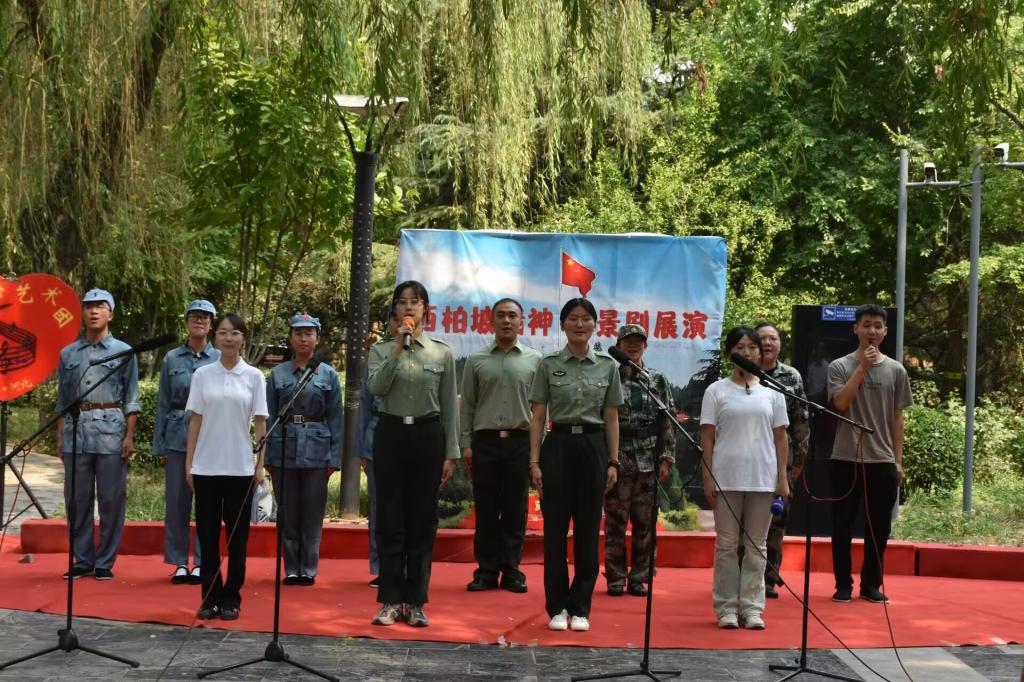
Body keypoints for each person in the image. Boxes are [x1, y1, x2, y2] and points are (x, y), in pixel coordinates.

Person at [367, 281, 458, 628]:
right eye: (402, 302)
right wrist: (397, 350)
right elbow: (376, 387)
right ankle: (390, 600)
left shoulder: (440, 353)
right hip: (391, 433)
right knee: (389, 519)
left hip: (427, 435)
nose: (408, 308)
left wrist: (450, 452)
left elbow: (449, 405)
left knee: (422, 521)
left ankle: (416, 600)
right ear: (395, 310)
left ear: (425, 310)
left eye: (415, 302)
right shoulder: (381, 350)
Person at [529, 298, 623, 633]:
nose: (579, 324)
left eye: (586, 319)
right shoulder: (548, 364)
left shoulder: (608, 366)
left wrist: (613, 461)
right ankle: (557, 606)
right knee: (555, 531)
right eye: (573, 318)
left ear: (595, 325)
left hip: (593, 447)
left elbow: (611, 418)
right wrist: (534, 461)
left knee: (587, 531)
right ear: (563, 324)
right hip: (558, 445)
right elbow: (538, 416)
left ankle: (580, 606)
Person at [700, 326, 789, 630]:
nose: (747, 352)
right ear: (729, 354)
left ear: (760, 353)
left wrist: (782, 478)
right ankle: (726, 607)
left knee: (757, 545)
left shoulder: (772, 392)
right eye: (740, 347)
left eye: (752, 347)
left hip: (763, 478)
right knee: (726, 545)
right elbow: (707, 437)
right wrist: (708, 477)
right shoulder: (716, 391)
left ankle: (752, 608)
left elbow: (781, 438)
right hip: (726, 477)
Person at [185, 313, 268, 621]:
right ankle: (209, 597)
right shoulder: (202, 375)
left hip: (240, 468)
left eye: (235, 333)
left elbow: (260, 424)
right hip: (206, 467)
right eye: (223, 332)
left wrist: (260, 464)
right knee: (207, 538)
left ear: (243, 337)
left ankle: (232, 597)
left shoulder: (254, 376)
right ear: (215, 337)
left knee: (237, 540)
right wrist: (189, 463)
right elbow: (195, 421)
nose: (229, 338)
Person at [828, 304, 912, 604]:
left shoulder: (896, 370)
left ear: (885, 331)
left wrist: (898, 460)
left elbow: (897, 418)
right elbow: (840, 404)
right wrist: (862, 367)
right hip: (846, 458)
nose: (872, 331)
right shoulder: (839, 366)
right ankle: (843, 584)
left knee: (879, 527)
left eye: (877, 326)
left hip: (883, 459)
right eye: (866, 325)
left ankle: (871, 584)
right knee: (842, 524)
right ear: (856, 329)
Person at [56, 288, 140, 581]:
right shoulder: (68, 353)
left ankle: (104, 560)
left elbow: (132, 397)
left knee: (111, 499)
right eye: (89, 306)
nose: (93, 311)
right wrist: (60, 438)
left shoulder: (124, 351)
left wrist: (129, 436)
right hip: (76, 432)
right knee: (76, 500)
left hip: (111, 431)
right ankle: (82, 559)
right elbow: (62, 401)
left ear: (110, 314)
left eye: (100, 306)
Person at [461, 298, 542, 594]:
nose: (507, 321)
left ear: (522, 321)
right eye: (501, 316)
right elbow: (468, 405)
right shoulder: (477, 360)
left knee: (515, 509)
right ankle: (485, 571)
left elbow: (540, 410)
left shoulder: (535, 360)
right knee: (486, 509)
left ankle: (511, 571)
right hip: (485, 442)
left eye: (512, 316)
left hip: (520, 442)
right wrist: (465, 443)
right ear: (491, 320)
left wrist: (537, 451)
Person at [265, 314, 343, 586]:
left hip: (316, 449)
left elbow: (336, 419)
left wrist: (334, 458)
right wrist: (267, 456)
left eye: (309, 333)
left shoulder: (328, 374)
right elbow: (269, 416)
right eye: (298, 333)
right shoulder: (278, 374)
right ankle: (291, 568)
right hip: (283, 447)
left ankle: (308, 568)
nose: (303, 338)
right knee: (287, 512)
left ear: (317, 338)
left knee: (312, 512)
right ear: (290, 338)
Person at [604, 324, 676, 598]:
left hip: (648, 459)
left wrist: (667, 458)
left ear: (645, 346)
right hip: (618, 458)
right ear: (618, 346)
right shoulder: (609, 376)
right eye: (627, 342)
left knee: (645, 522)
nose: (633, 347)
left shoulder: (657, 379)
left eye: (638, 342)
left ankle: (639, 577)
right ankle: (615, 577)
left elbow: (668, 420)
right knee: (615, 522)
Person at [153, 299, 220, 585]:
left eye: (205, 317)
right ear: (186, 322)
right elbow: (163, 402)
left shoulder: (220, 358)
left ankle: (203, 562)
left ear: (211, 324)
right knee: (177, 502)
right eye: (194, 316)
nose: (199, 321)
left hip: (209, 435)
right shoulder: (172, 358)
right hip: (177, 434)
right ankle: (179, 561)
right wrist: (159, 444)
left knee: (208, 503)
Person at [755, 322, 809, 599]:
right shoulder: (745, 373)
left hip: (782, 458)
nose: (767, 343)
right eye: (762, 338)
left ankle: (769, 577)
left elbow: (800, 421)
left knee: (777, 518)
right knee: (749, 519)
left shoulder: (791, 376)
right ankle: (746, 576)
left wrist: (799, 461)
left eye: (772, 338)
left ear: (779, 343)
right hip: (750, 456)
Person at [359, 310, 399, 589]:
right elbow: (364, 404)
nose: (400, 323)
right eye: (395, 319)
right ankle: (382, 566)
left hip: (411, 434)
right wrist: (361, 448)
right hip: (377, 432)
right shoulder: (377, 353)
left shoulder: (427, 354)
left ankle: (405, 566)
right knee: (379, 507)